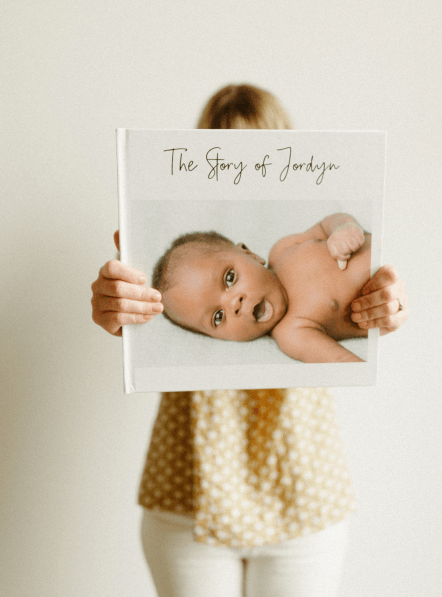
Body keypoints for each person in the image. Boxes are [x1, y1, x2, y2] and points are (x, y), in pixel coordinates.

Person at [91, 84, 409, 597]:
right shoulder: (186, 265)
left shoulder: (300, 250)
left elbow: (356, 316)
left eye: (258, 156)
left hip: (305, 488)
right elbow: (143, 317)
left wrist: (382, 307)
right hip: (186, 495)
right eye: (223, 158)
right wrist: (120, 307)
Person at [153, 212, 386, 363]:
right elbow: (343, 363)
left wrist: (344, 228)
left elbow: (326, 225)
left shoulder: (283, 249)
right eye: (217, 317)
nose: (234, 303)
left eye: (230, 278)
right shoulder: (291, 333)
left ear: (250, 254)